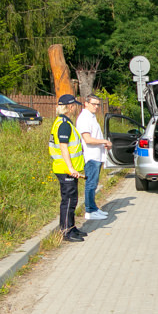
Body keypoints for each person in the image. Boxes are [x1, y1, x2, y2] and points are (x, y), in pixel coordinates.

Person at [49, 94, 87, 243]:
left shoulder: (63, 122)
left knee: (72, 199)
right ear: (70, 107)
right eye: (75, 105)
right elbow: (63, 147)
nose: (76, 108)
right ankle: (66, 231)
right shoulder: (64, 124)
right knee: (69, 201)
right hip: (65, 169)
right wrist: (70, 168)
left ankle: (71, 227)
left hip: (68, 169)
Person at [76, 94, 113, 220]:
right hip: (91, 156)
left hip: (97, 155)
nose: (96, 107)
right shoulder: (84, 118)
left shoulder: (92, 117)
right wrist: (104, 142)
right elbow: (87, 139)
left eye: (98, 104)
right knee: (91, 184)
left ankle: (94, 208)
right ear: (86, 103)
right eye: (93, 104)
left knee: (94, 183)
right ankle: (90, 210)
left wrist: (104, 144)